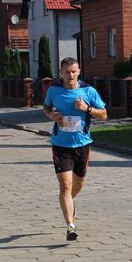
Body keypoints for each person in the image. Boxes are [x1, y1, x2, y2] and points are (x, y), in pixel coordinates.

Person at [42, 57, 107, 241]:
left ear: (79, 72)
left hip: (82, 144)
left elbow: (104, 115)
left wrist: (87, 109)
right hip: (60, 145)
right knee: (65, 185)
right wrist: (51, 115)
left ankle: (69, 203)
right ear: (61, 73)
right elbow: (46, 107)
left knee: (79, 184)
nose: (70, 75)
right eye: (67, 72)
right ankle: (70, 226)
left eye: (73, 71)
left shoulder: (88, 91)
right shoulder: (54, 90)